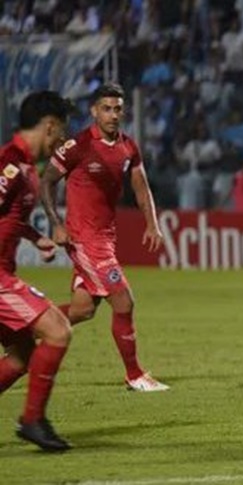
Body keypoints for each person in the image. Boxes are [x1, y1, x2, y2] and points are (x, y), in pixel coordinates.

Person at [40, 83, 169, 392]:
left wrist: (152, 224)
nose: (113, 115)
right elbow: (46, 182)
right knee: (124, 300)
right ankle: (135, 374)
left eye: (118, 109)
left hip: (106, 237)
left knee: (83, 309)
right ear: (94, 111)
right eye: (107, 109)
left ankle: (20, 331)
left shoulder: (128, 147)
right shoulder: (79, 145)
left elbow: (141, 187)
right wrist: (56, 223)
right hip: (85, 239)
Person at [0, 91, 75, 451]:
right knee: (58, 330)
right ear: (49, 125)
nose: (62, 140)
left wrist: (35, 237)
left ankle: (33, 419)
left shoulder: (27, 168)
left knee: (22, 356)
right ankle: (32, 420)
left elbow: (8, 219)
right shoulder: (10, 164)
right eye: (61, 131)